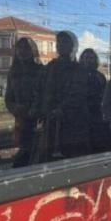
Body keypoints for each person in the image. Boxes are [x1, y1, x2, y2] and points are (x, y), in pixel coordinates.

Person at [30, 31, 91, 160]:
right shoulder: (48, 69)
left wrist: (61, 109)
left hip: (74, 125)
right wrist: (38, 110)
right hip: (50, 123)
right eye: (58, 42)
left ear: (73, 46)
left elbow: (78, 93)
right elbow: (38, 91)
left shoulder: (80, 70)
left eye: (65, 42)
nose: (60, 45)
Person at [4, 37, 42, 168]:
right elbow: (8, 98)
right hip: (21, 119)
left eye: (26, 48)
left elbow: (45, 94)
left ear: (33, 51)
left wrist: (34, 109)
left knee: (31, 152)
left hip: (38, 119)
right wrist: (15, 108)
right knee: (26, 149)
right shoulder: (13, 72)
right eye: (19, 48)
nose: (22, 51)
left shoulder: (40, 70)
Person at [79, 48, 111, 153]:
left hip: (97, 117)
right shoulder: (76, 76)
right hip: (80, 116)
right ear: (82, 59)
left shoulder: (100, 76)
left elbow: (105, 95)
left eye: (91, 58)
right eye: (86, 57)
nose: (89, 60)